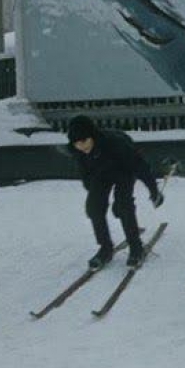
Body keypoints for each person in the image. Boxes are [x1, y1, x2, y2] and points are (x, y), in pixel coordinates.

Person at [67, 115, 164, 268]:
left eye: (84, 141)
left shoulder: (115, 143)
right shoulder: (78, 151)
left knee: (123, 205)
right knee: (94, 207)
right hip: (101, 174)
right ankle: (105, 248)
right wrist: (95, 196)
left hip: (124, 171)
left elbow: (140, 167)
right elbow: (86, 176)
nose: (81, 146)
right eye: (77, 143)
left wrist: (154, 191)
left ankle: (136, 247)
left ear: (92, 136)